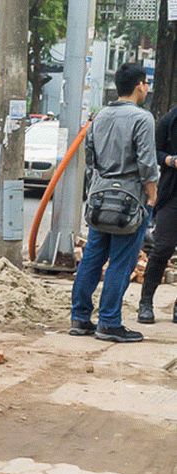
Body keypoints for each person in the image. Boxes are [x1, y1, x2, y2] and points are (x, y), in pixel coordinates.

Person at [70, 63, 158, 343]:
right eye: (146, 83)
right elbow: (146, 162)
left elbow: (91, 157)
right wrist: (152, 194)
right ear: (139, 86)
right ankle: (109, 322)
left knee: (93, 257)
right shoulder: (143, 119)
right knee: (122, 260)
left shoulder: (100, 116)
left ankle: (80, 318)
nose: (146, 88)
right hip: (130, 199)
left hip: (100, 196)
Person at [139, 100, 177, 324]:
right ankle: (146, 301)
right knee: (162, 248)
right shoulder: (170, 119)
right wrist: (169, 160)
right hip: (172, 193)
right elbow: (155, 150)